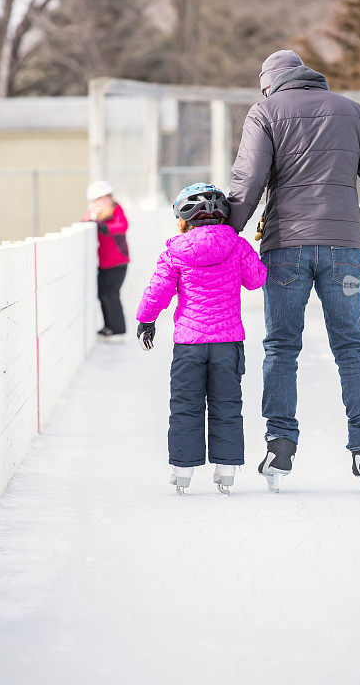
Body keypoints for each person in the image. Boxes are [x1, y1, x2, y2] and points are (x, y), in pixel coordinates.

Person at [228, 50, 360, 493]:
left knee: (281, 348)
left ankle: (280, 445)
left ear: (270, 83)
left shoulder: (265, 112)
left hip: (285, 247)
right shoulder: (351, 111)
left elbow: (247, 182)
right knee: (352, 346)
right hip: (343, 249)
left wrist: (224, 236)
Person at [135, 183, 267, 495]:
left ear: (183, 219)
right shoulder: (236, 245)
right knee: (226, 405)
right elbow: (256, 279)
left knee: (185, 405)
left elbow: (158, 291)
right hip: (227, 343)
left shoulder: (174, 252)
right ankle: (225, 470)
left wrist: (146, 321)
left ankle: (182, 470)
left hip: (189, 345)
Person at [83, 180, 130, 340]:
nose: (104, 201)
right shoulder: (93, 213)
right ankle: (109, 325)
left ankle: (118, 328)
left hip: (118, 263)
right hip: (103, 263)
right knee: (102, 294)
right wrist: (94, 221)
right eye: (99, 199)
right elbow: (85, 222)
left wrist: (103, 227)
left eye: (106, 197)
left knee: (111, 294)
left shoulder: (116, 209)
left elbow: (121, 226)